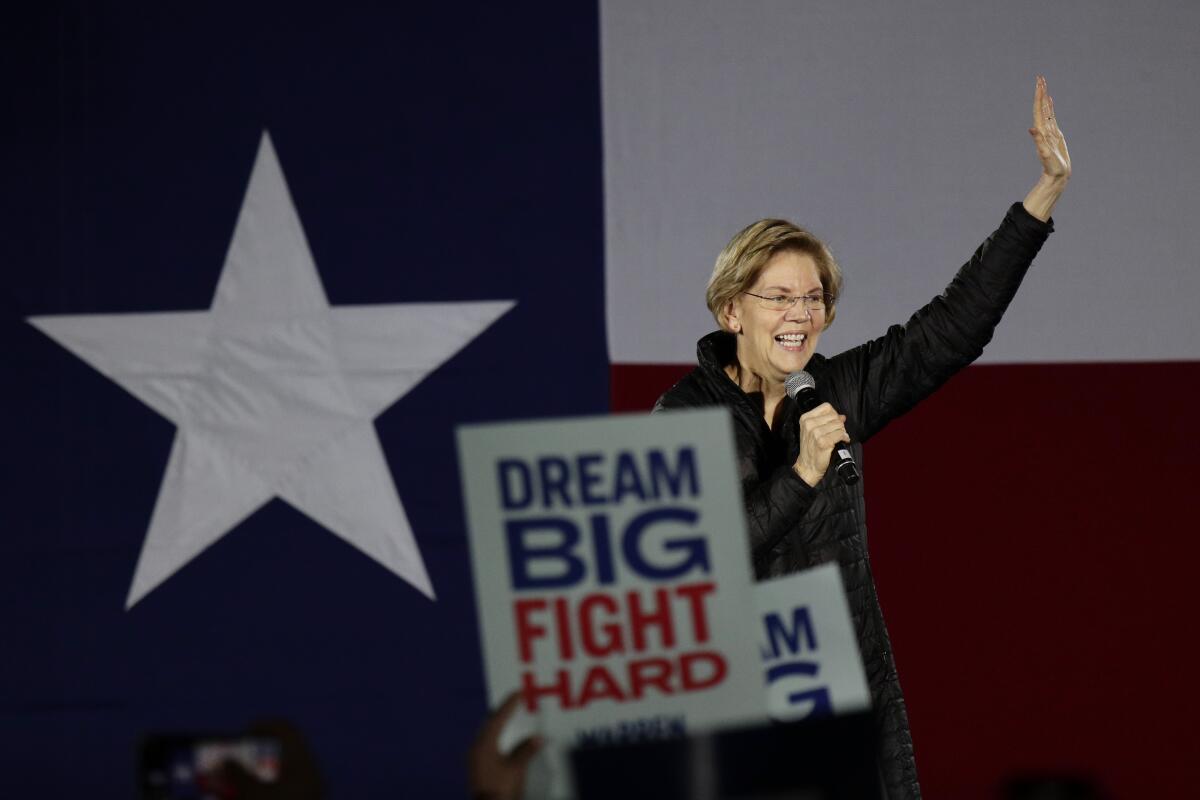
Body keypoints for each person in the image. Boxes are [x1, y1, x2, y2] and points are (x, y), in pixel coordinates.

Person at [653, 76, 1070, 800]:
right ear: (731, 311)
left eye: (814, 298)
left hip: (853, 697)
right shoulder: (685, 415)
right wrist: (804, 473)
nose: (800, 313)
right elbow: (702, 559)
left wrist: (1043, 196)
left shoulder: (833, 389)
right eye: (778, 296)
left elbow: (950, 329)